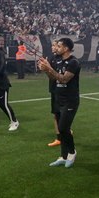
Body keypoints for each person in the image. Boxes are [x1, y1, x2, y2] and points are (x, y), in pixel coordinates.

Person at [38, 37, 81, 168]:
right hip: (58, 98)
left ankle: (72, 152)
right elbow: (53, 78)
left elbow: (63, 79)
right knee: (61, 130)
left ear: (66, 48)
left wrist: (49, 68)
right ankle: (63, 156)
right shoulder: (58, 61)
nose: (56, 48)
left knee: (63, 128)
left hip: (70, 100)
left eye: (59, 46)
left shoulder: (73, 62)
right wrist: (46, 69)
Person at [46, 40, 62, 147]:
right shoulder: (51, 58)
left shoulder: (65, 59)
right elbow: (51, 76)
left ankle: (62, 134)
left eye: (55, 45)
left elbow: (62, 77)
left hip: (63, 91)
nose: (53, 47)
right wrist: (45, 69)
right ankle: (59, 137)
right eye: (52, 45)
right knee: (56, 114)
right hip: (54, 89)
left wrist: (49, 68)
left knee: (62, 114)